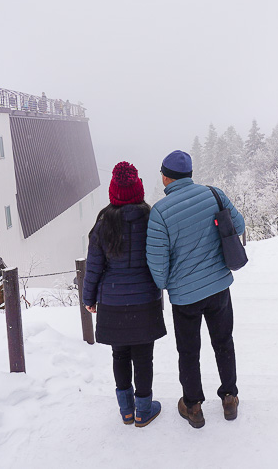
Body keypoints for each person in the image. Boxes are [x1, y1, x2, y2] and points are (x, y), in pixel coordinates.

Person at [146, 150, 245, 429]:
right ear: (189, 175)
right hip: (218, 288)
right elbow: (239, 225)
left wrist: (166, 283)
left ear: (166, 177)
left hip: (185, 296)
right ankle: (229, 397)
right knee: (223, 342)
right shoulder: (214, 194)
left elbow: (157, 260)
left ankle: (193, 406)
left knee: (189, 351)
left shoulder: (160, 213)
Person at [83, 162, 166, 427]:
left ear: (113, 192)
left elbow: (93, 266)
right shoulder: (151, 218)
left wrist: (89, 299)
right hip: (145, 299)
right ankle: (144, 409)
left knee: (120, 355)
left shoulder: (103, 222)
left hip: (113, 302)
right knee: (143, 356)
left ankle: (126, 410)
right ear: (138, 188)